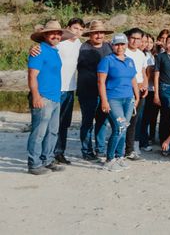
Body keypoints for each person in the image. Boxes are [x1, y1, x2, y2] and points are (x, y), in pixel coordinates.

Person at [26, 21, 73, 175]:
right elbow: (32, 76)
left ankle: (48, 160)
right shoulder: (39, 51)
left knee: (53, 131)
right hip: (43, 97)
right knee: (39, 132)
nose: (56, 36)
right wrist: (36, 96)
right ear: (45, 35)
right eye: (52, 33)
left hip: (55, 97)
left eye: (58, 33)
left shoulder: (55, 51)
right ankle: (34, 164)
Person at [97, 34, 139, 172]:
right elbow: (101, 82)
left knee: (125, 127)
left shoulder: (130, 61)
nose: (120, 47)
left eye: (122, 44)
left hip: (128, 98)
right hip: (113, 98)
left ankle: (120, 156)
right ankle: (109, 159)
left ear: (126, 45)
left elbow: (133, 79)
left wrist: (136, 96)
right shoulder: (107, 60)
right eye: (117, 44)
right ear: (112, 45)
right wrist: (104, 100)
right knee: (119, 127)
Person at [76, 20, 113, 161]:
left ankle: (100, 149)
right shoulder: (82, 48)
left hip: (104, 91)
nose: (98, 35)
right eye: (95, 33)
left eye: (101, 32)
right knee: (87, 122)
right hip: (87, 91)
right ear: (90, 35)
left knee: (102, 121)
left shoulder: (109, 47)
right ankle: (86, 151)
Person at [51, 17, 83, 165]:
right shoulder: (59, 42)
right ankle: (48, 153)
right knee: (52, 123)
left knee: (64, 123)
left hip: (70, 89)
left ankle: (59, 152)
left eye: (81, 29)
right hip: (55, 88)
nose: (78, 31)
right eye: (75, 28)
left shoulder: (79, 44)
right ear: (68, 27)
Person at [123, 27, 148, 161]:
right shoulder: (123, 51)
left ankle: (129, 149)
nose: (135, 41)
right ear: (128, 38)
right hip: (127, 89)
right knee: (122, 120)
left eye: (138, 39)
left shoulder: (141, 54)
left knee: (133, 121)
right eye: (133, 38)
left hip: (140, 90)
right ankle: (120, 148)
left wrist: (145, 84)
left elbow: (143, 71)